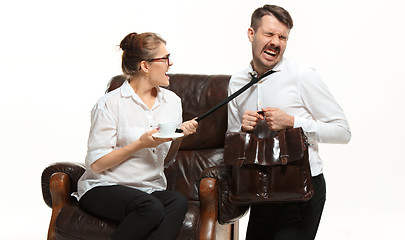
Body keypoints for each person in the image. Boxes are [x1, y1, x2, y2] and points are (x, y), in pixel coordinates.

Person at [227, 5, 351, 240]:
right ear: (251, 34)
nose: (276, 42)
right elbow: (233, 144)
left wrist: (293, 122)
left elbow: (342, 131)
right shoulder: (237, 82)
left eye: (282, 37)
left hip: (301, 188)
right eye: (269, 34)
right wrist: (242, 130)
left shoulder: (303, 75)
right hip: (260, 188)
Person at [74, 32, 198, 240]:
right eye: (165, 58)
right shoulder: (110, 104)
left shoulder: (172, 102)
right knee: (151, 208)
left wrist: (179, 136)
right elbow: (96, 165)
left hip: (148, 188)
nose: (171, 63)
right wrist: (139, 144)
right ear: (145, 66)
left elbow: (165, 160)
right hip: (104, 187)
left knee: (178, 201)